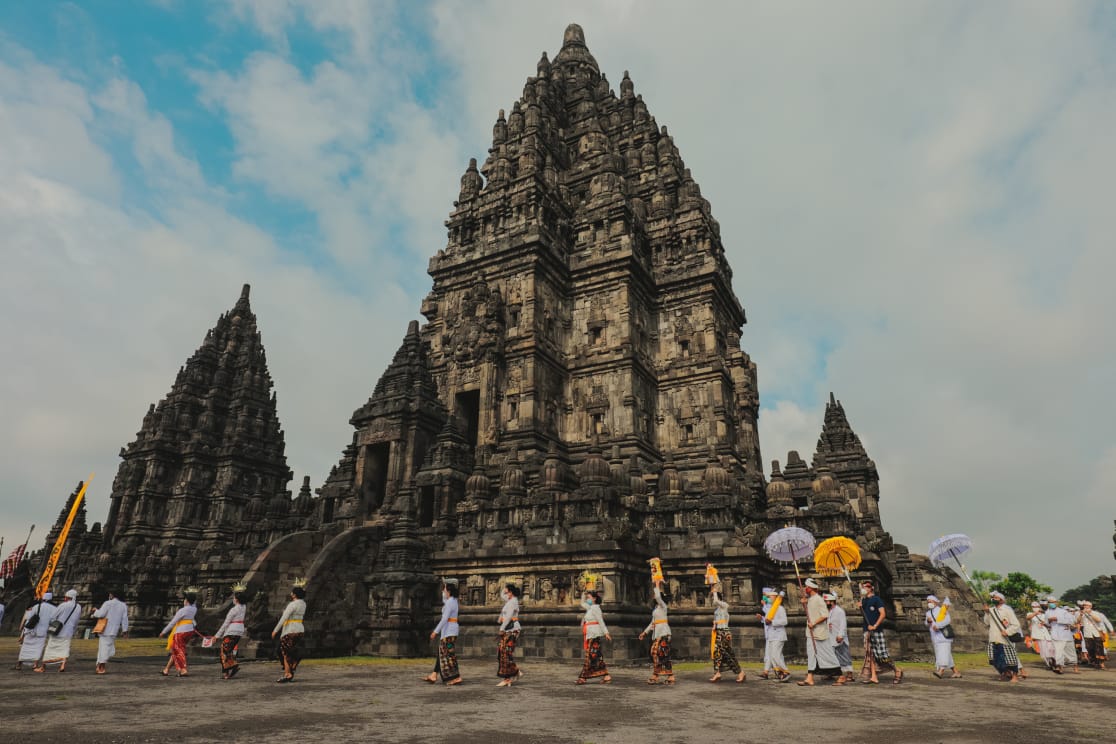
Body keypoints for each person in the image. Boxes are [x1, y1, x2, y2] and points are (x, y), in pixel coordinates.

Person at [799, 578, 842, 686]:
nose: (805, 589)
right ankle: (810, 678)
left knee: (828, 654)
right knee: (811, 655)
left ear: (811, 588)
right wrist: (804, 604)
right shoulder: (810, 599)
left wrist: (813, 623)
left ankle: (840, 675)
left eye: (806, 587)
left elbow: (825, 615)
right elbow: (810, 613)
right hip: (810, 633)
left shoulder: (819, 599)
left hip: (819, 633)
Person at [859, 580, 902, 684]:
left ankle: (897, 670)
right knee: (870, 654)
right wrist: (860, 606)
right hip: (866, 630)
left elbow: (882, 614)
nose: (864, 588)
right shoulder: (863, 600)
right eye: (863, 587)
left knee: (882, 654)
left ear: (871, 588)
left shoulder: (876, 599)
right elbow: (864, 614)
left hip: (876, 630)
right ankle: (874, 676)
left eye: (867, 586)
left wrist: (875, 625)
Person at [425, 579, 461, 686]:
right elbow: (444, 599)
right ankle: (434, 674)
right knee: (443, 652)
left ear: (449, 591)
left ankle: (456, 677)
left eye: (444, 589)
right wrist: (445, 583)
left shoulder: (450, 603)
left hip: (449, 632)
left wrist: (435, 631)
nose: (443, 591)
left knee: (448, 654)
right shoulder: (453, 600)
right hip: (450, 631)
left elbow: (444, 619)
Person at [638, 581, 675, 685]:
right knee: (655, 653)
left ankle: (665, 675)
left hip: (664, 632)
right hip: (657, 633)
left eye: (655, 594)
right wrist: (644, 632)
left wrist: (657, 585)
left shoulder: (663, 606)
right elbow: (653, 622)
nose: (654, 596)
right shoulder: (656, 609)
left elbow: (658, 597)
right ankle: (658, 674)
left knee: (661, 653)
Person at [37, 588, 81, 673]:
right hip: (69, 631)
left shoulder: (63, 605)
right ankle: (62, 665)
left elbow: (53, 616)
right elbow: (76, 620)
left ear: (67, 597)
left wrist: (52, 623)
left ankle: (43, 667)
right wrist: (74, 629)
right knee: (65, 648)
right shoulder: (78, 607)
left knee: (50, 647)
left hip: (58, 630)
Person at [708, 583, 745, 683]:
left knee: (727, 653)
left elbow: (716, 601)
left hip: (724, 632)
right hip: (719, 632)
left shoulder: (724, 606)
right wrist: (714, 625)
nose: (712, 600)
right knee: (717, 652)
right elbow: (717, 621)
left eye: (713, 598)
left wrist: (714, 591)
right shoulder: (716, 611)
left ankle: (740, 672)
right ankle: (717, 672)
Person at [984, 591, 1022, 682]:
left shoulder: (1007, 610)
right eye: (993, 598)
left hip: (1005, 639)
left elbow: (1016, 624)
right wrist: (987, 613)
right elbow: (987, 622)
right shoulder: (991, 610)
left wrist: (1007, 632)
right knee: (995, 659)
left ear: (1001, 600)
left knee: (1010, 658)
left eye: (996, 598)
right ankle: (1004, 673)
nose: (993, 599)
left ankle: (1015, 676)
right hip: (993, 637)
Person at [273, 584, 307, 684]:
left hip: (290, 630)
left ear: (294, 594)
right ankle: (291, 666)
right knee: (289, 650)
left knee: (285, 652)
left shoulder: (292, 604)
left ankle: (288, 673)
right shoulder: (303, 604)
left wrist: (275, 630)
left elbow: (284, 618)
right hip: (300, 629)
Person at [576, 589, 612, 684]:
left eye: (589, 597)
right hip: (590, 633)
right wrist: (583, 594)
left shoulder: (596, 608)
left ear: (594, 598)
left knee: (590, 655)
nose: (587, 599)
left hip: (594, 634)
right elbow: (582, 604)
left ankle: (583, 677)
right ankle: (606, 675)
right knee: (596, 655)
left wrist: (606, 633)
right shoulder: (590, 608)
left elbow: (600, 620)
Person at [91, 589, 129, 675]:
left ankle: (102, 665)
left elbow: (100, 614)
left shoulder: (107, 603)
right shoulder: (123, 605)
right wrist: (125, 630)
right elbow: (125, 619)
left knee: (104, 648)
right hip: (114, 630)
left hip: (105, 629)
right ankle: (99, 664)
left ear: (112, 595)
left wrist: (95, 611)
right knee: (105, 647)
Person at [214, 588, 248, 680]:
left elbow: (226, 623)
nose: (233, 599)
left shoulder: (234, 610)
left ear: (236, 600)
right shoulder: (244, 607)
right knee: (228, 651)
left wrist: (217, 636)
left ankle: (229, 670)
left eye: (234, 598)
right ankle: (230, 669)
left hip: (231, 631)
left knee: (224, 652)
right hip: (239, 631)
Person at [16, 592, 56, 671]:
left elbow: (29, 618)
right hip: (42, 632)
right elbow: (53, 621)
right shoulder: (54, 609)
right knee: (38, 649)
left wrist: (24, 632)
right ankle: (35, 664)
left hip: (31, 630)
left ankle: (19, 664)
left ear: (43, 598)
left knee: (25, 648)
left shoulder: (36, 606)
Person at [757, 587, 790, 682]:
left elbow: (785, 621)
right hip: (771, 635)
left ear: (775, 597)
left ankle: (786, 671)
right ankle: (780, 673)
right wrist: (762, 619)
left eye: (769, 596)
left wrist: (772, 622)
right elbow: (768, 621)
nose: (768, 598)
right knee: (772, 656)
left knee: (776, 655)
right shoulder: (771, 609)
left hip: (778, 635)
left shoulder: (780, 608)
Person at [925, 595, 959, 679]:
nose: (929, 603)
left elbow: (947, 620)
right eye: (928, 602)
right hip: (935, 637)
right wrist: (928, 621)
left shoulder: (942, 610)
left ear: (935, 602)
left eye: (930, 601)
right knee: (946, 654)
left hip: (943, 636)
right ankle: (956, 672)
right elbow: (926, 624)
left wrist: (938, 626)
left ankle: (941, 671)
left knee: (943, 653)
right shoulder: (928, 613)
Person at [824, 591, 855, 683]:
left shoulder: (839, 611)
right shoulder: (828, 611)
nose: (826, 603)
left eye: (827, 601)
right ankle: (831, 673)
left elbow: (843, 624)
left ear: (832, 601)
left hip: (839, 636)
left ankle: (850, 674)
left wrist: (841, 635)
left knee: (844, 655)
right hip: (830, 636)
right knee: (832, 657)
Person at [496, 583, 522, 687]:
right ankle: (514, 671)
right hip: (509, 629)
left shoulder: (513, 602)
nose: (505, 593)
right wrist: (506, 588)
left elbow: (508, 617)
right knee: (504, 652)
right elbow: (502, 595)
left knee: (505, 652)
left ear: (510, 592)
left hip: (511, 629)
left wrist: (502, 628)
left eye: (507, 591)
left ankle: (508, 677)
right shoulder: (510, 600)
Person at [1046, 597, 1079, 674]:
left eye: (1053, 602)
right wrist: (1049, 621)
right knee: (1058, 652)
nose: (1051, 603)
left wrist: (1057, 619)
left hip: (1066, 634)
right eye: (1050, 602)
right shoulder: (1047, 612)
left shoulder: (1063, 611)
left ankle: (1075, 666)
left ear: (1057, 602)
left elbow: (1071, 621)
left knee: (1070, 652)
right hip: (1055, 634)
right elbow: (1047, 624)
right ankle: (1060, 668)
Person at [1079, 600, 1111, 670]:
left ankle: (1102, 664)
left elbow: (1098, 620)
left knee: (1099, 648)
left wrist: (1089, 614)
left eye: (1086, 605)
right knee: (1090, 648)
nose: (1085, 606)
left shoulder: (1096, 613)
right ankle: (1095, 662)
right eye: (1084, 605)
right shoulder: (1082, 613)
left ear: (1090, 606)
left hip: (1096, 633)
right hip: (1087, 633)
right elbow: (1078, 621)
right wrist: (1081, 615)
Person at [1027, 601, 1056, 671]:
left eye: (1036, 607)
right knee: (1043, 650)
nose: (1035, 608)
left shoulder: (1044, 614)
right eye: (1033, 607)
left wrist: (1045, 623)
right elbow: (1028, 618)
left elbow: (1049, 623)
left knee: (1050, 648)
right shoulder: (1030, 614)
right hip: (1038, 635)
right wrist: (1036, 613)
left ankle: (1053, 660)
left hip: (1046, 634)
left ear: (1039, 607)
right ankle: (1049, 664)